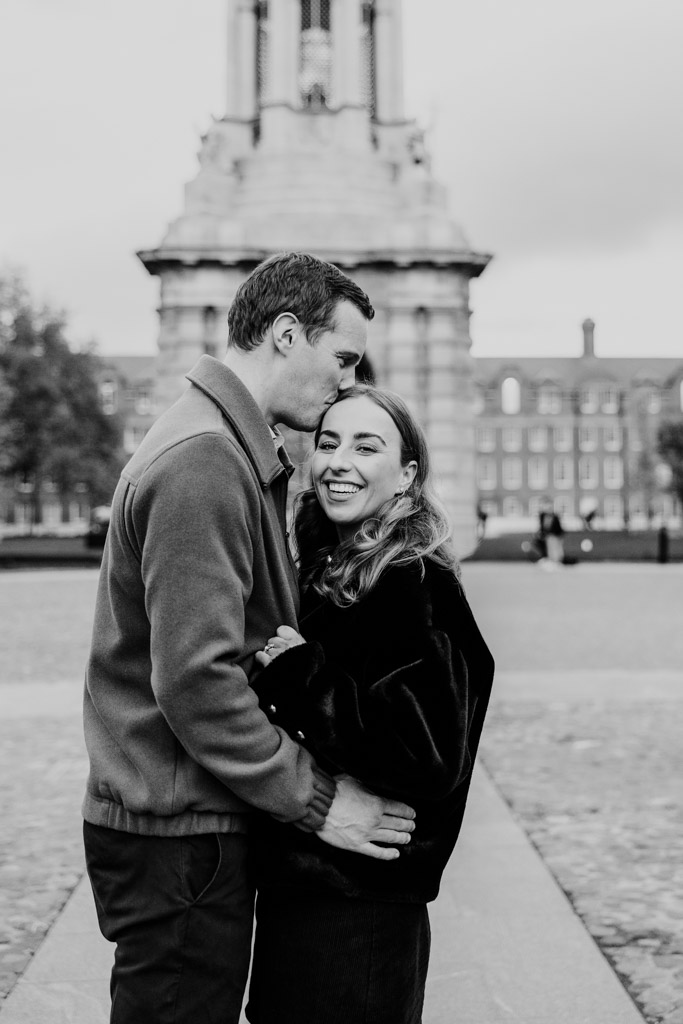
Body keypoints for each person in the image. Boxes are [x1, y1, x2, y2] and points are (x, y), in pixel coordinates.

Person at [81, 254, 416, 1024]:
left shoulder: (221, 443)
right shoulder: (205, 461)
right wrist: (318, 801)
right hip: (181, 832)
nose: (346, 382)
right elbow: (198, 681)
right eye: (342, 359)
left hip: (185, 823)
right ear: (287, 334)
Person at [246, 384, 495, 1024]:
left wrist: (301, 676)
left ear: (407, 474)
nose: (338, 461)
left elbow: (426, 752)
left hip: (358, 909)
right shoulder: (337, 564)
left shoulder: (409, 577)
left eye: (366, 446)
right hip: (314, 891)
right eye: (328, 443)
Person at [537, 495, 565, 567]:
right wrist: (542, 533)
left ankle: (557, 562)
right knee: (550, 548)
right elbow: (542, 526)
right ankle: (551, 561)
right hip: (548, 536)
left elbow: (558, 527)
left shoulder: (554, 516)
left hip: (555, 535)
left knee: (556, 548)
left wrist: (559, 535)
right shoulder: (542, 516)